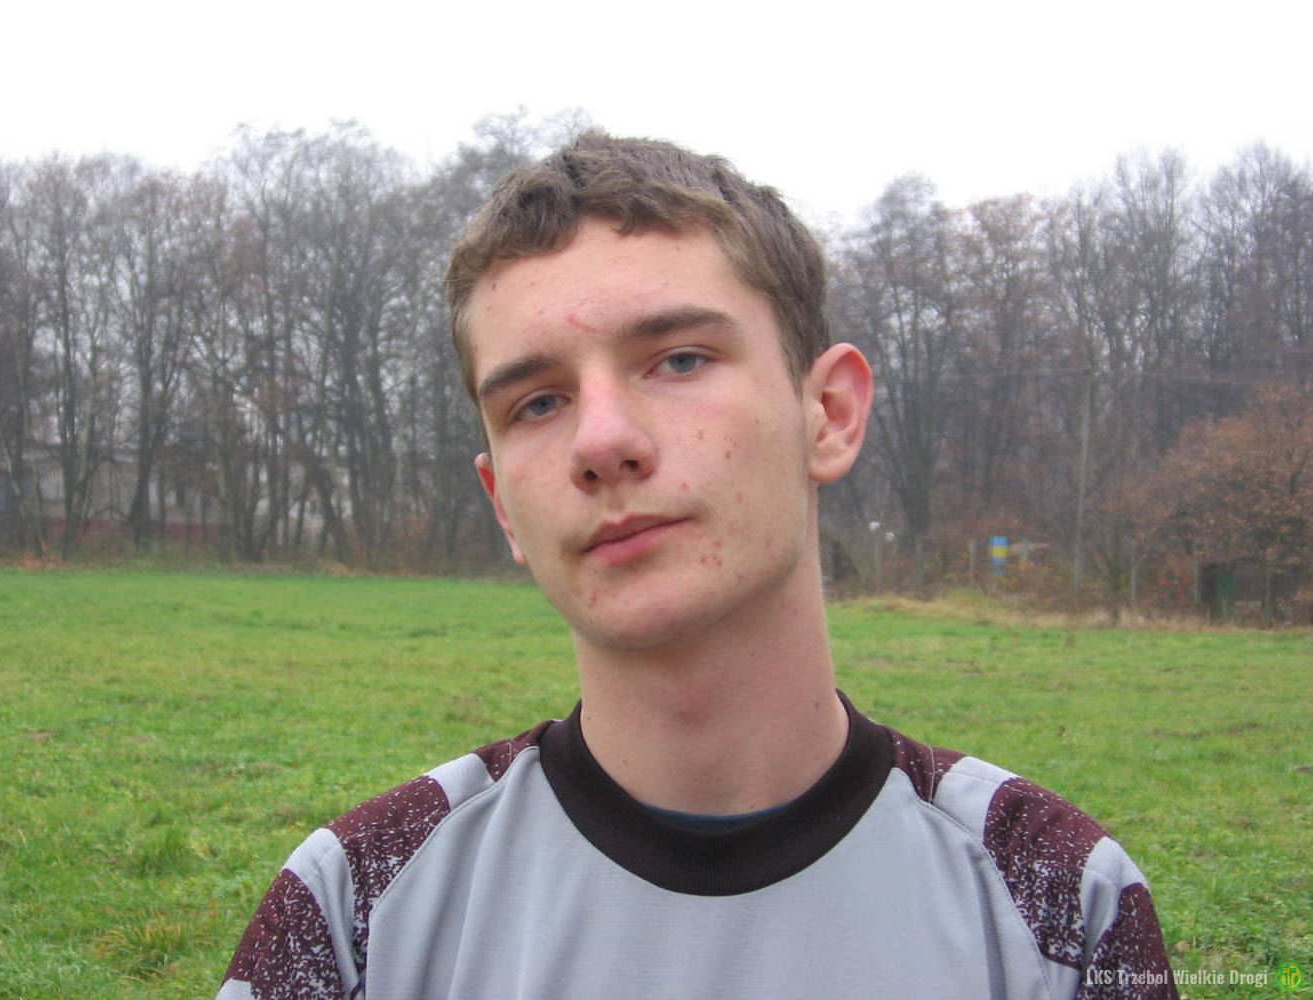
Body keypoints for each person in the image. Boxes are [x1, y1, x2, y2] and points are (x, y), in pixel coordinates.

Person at [218, 133, 1176, 999]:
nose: (602, 441)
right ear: (502, 500)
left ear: (828, 414)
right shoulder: (356, 912)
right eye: (537, 403)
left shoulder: (1055, 902)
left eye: (677, 359)